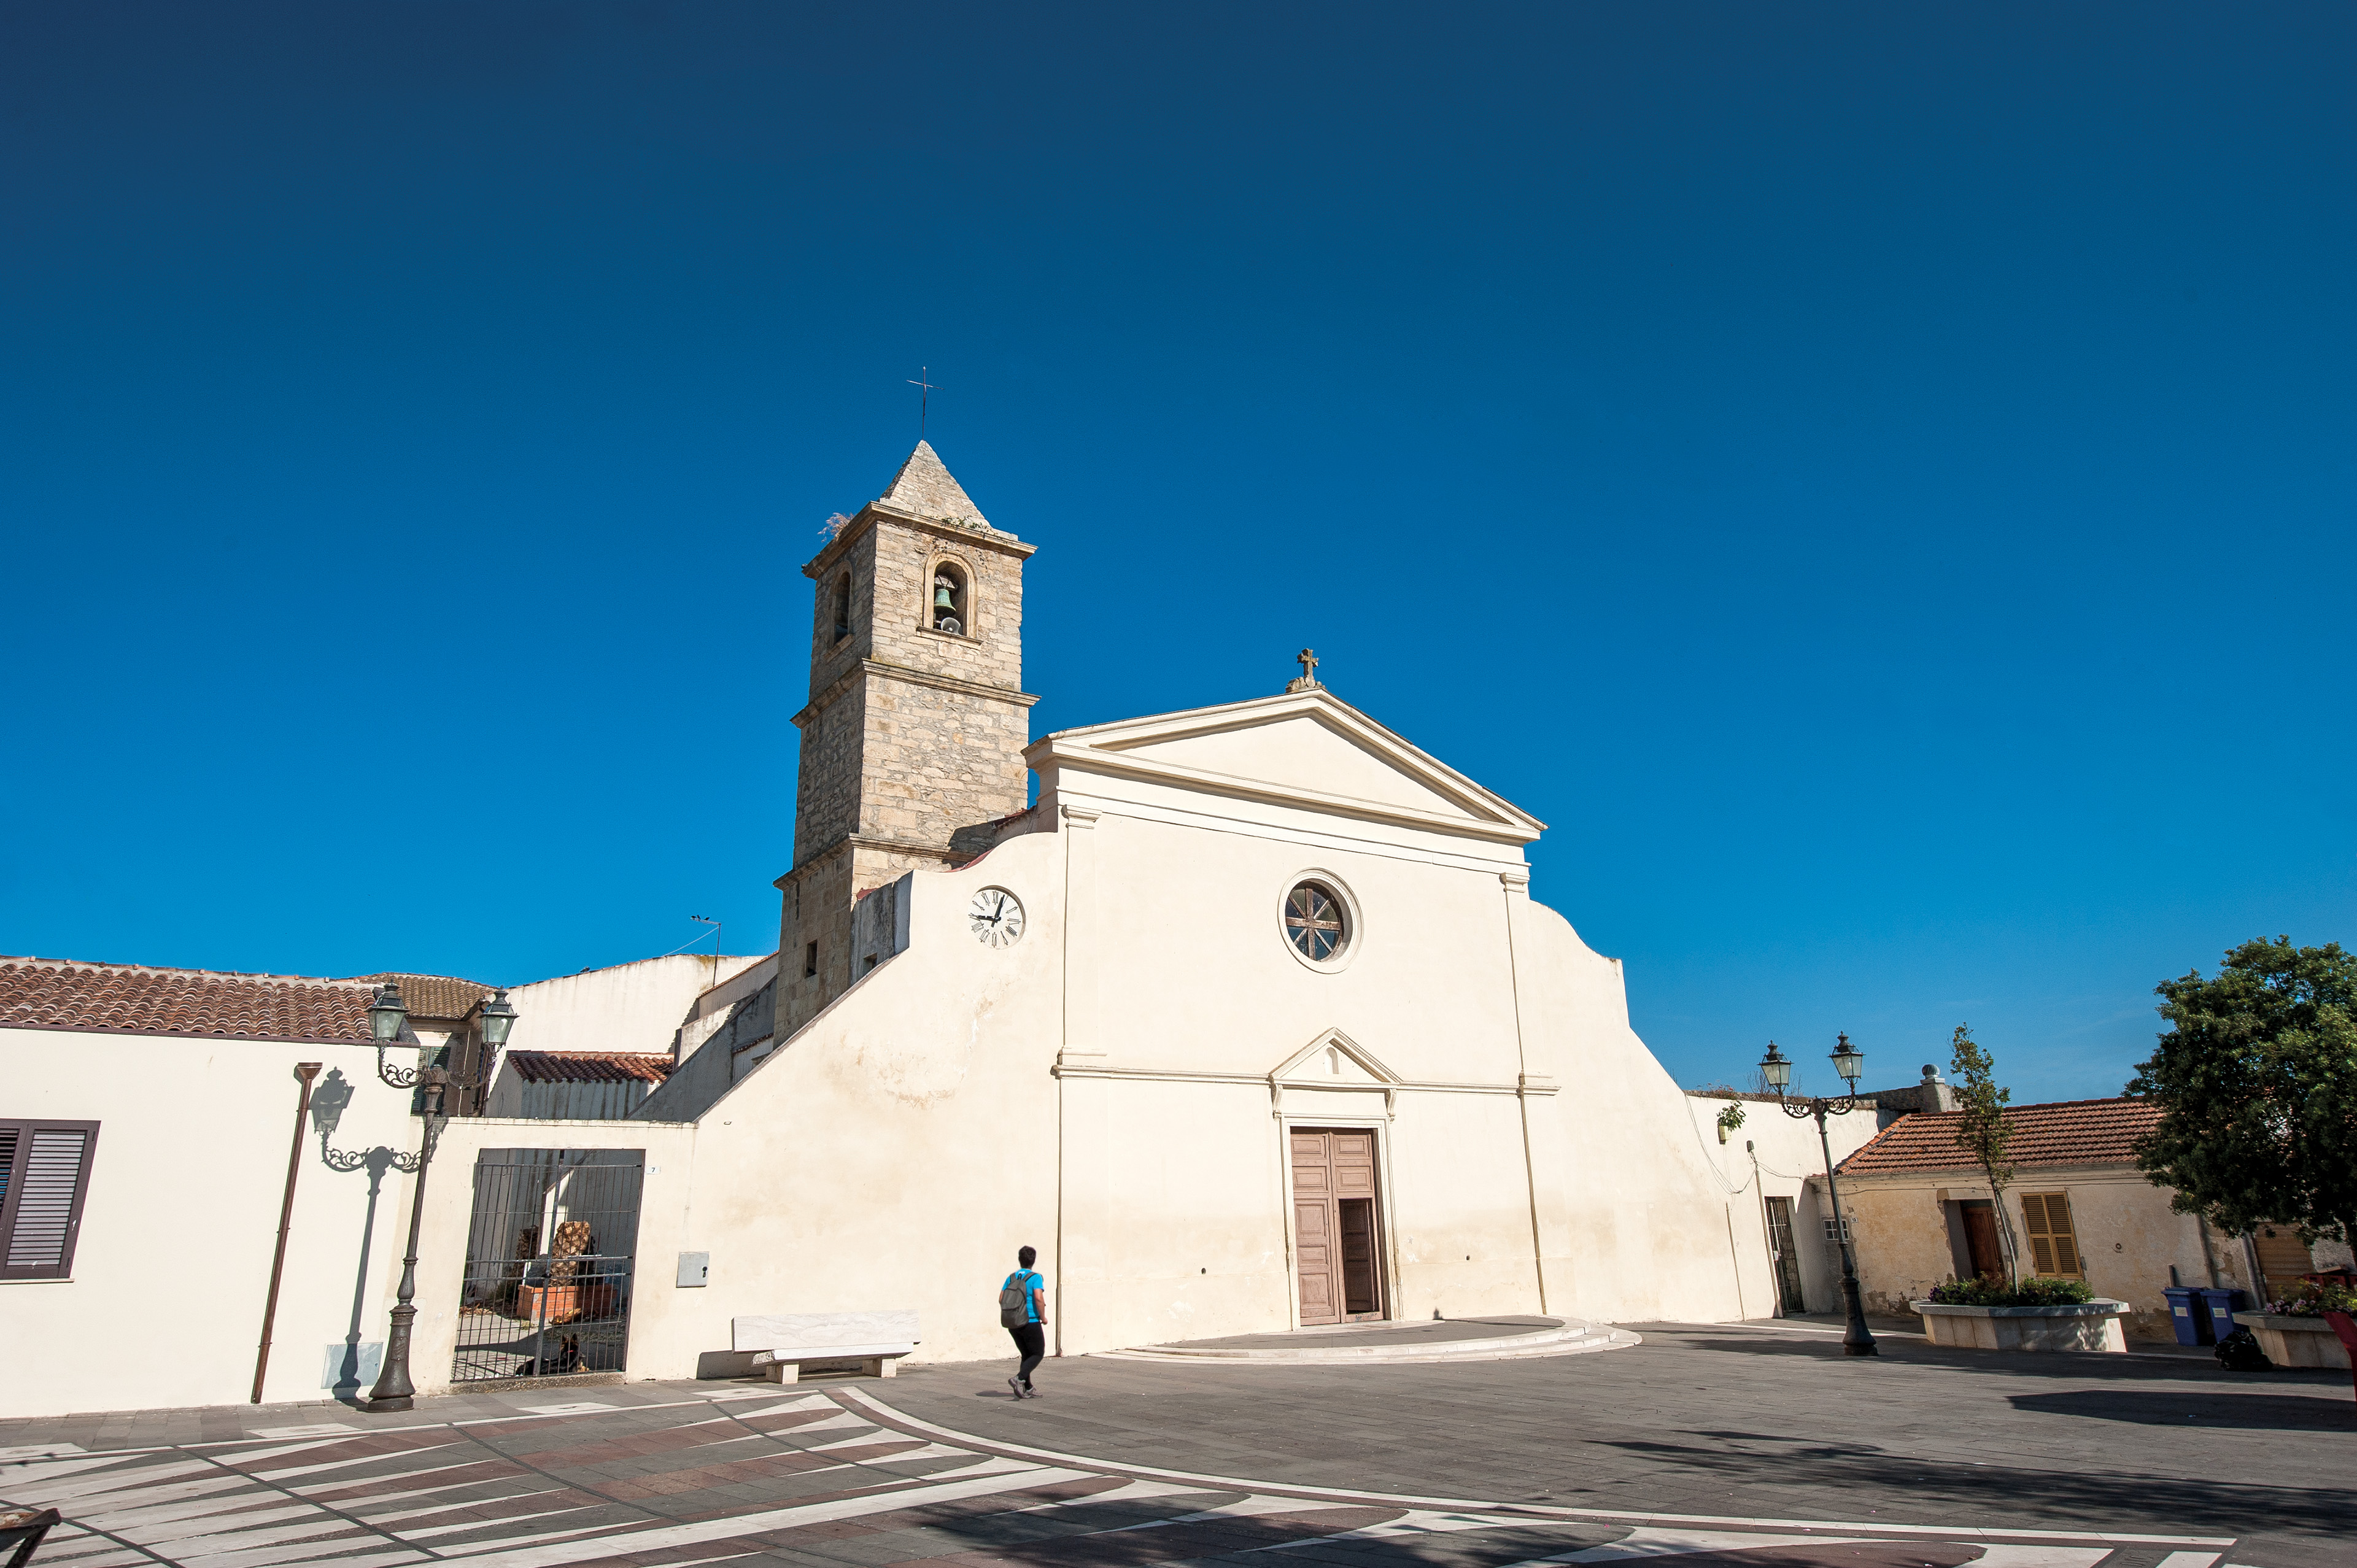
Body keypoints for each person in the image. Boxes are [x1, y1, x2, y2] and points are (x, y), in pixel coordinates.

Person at [1000, 1245, 1047, 1399]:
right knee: (1038, 1353)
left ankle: (1028, 1387)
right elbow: (1039, 1297)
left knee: (1027, 1354)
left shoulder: (1011, 1277)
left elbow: (1001, 1299)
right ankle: (1019, 1379)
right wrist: (1043, 1317)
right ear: (1033, 1260)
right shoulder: (1035, 1277)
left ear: (1020, 1260)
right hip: (1030, 1321)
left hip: (1013, 1323)